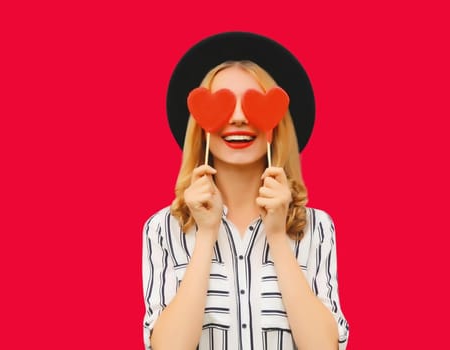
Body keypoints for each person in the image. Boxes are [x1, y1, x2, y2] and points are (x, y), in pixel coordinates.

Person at [142, 32, 349, 350]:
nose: (238, 118)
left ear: (276, 123)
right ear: (201, 124)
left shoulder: (317, 229)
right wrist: (207, 234)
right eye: (223, 104)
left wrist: (278, 237)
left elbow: (325, 347)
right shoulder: (162, 230)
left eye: (252, 104)